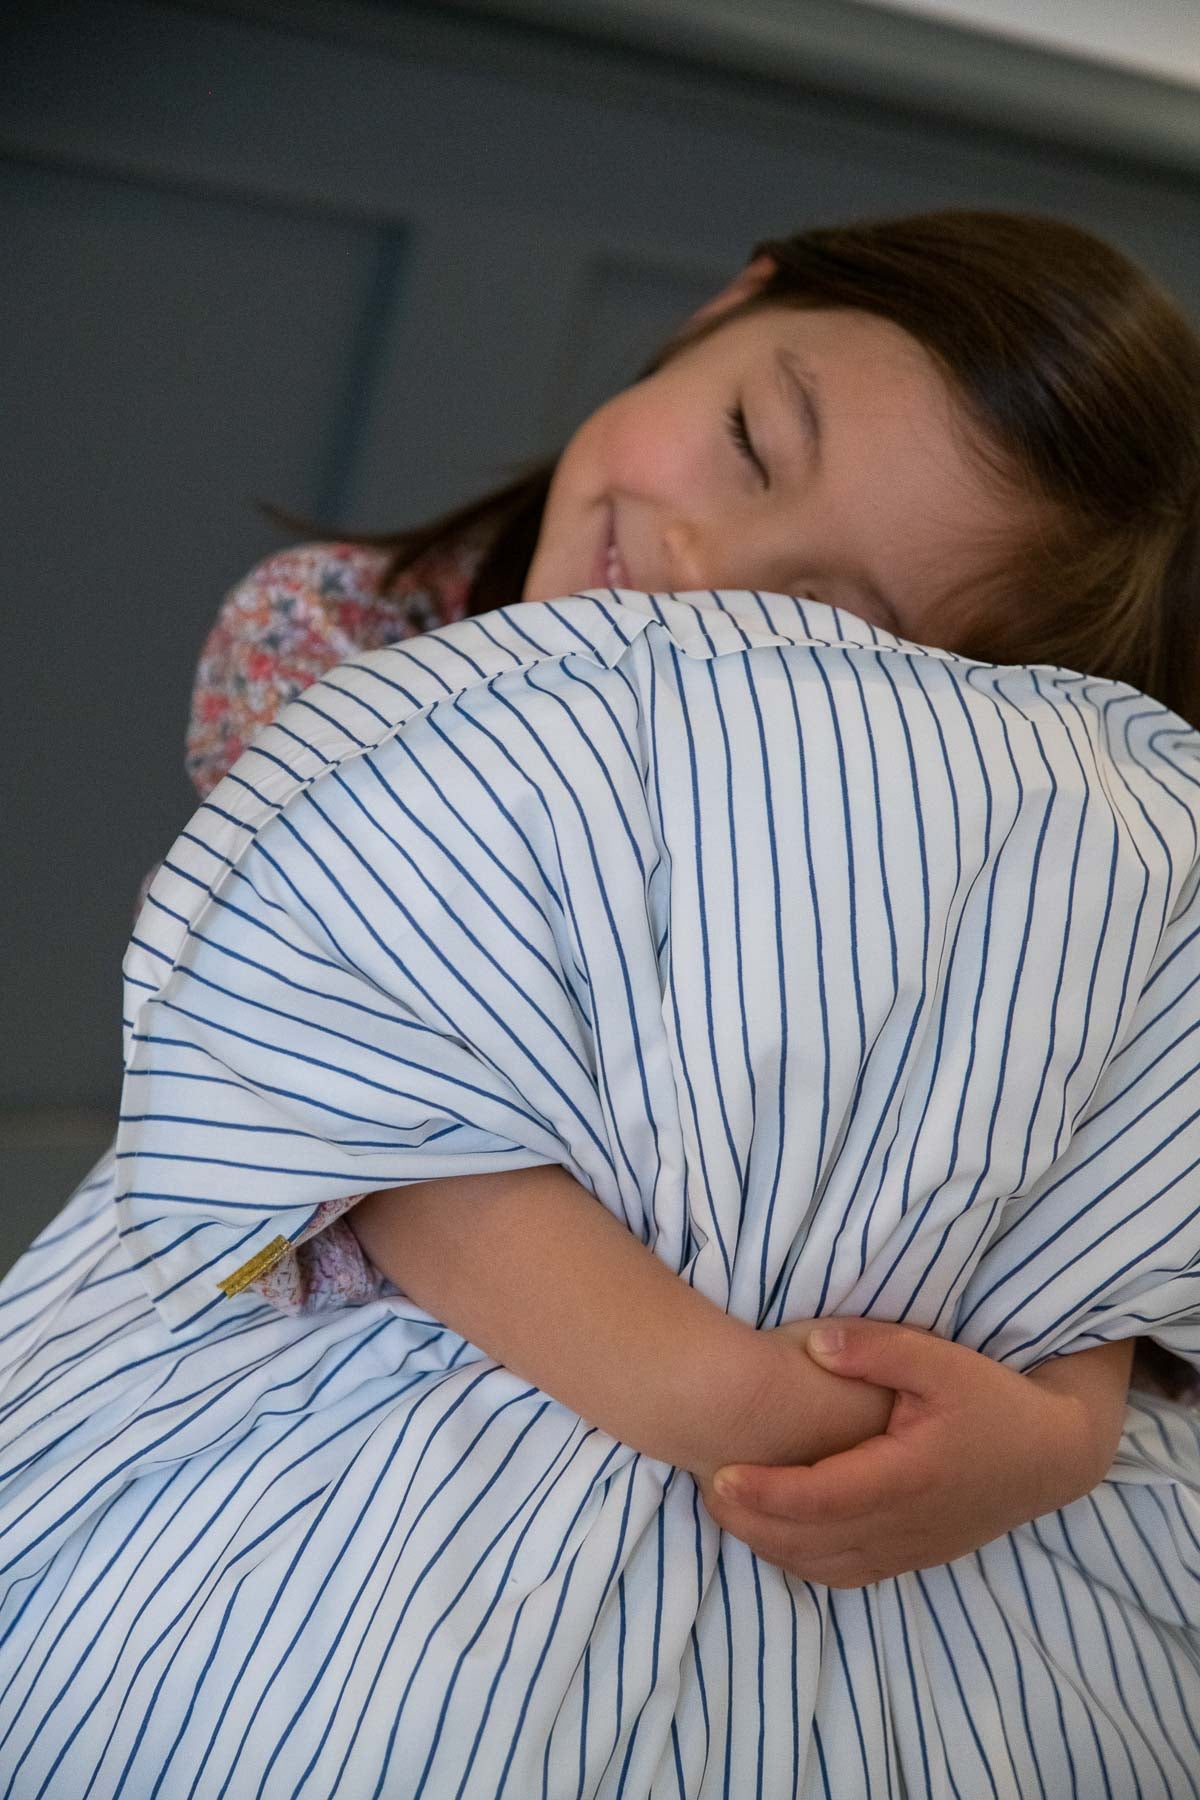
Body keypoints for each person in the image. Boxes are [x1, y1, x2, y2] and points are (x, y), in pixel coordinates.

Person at [2, 209, 1199, 1796]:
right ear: (730, 303)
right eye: (754, 443)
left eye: (833, 627)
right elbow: (360, 1089)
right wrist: (719, 1395)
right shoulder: (342, 643)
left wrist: (1051, 1436)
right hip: (372, 1317)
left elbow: (1091, 1122)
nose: (704, 567)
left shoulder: (967, 844)